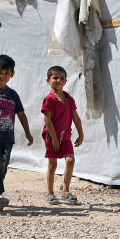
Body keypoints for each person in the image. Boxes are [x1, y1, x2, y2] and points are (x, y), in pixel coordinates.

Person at [0, 54, 33, 211]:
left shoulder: (12, 94)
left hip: (8, 137)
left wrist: (28, 133)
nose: (2, 75)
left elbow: (21, 114)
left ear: (12, 74)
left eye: (6, 72)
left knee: (3, 165)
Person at [40, 65, 84, 205]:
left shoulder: (69, 99)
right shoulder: (49, 99)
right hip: (52, 136)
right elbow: (47, 119)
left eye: (62, 78)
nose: (58, 80)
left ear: (65, 81)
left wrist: (81, 133)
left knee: (70, 160)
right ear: (48, 80)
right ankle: (50, 193)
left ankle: (65, 191)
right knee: (52, 164)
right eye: (55, 78)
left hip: (65, 136)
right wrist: (54, 139)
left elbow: (75, 117)